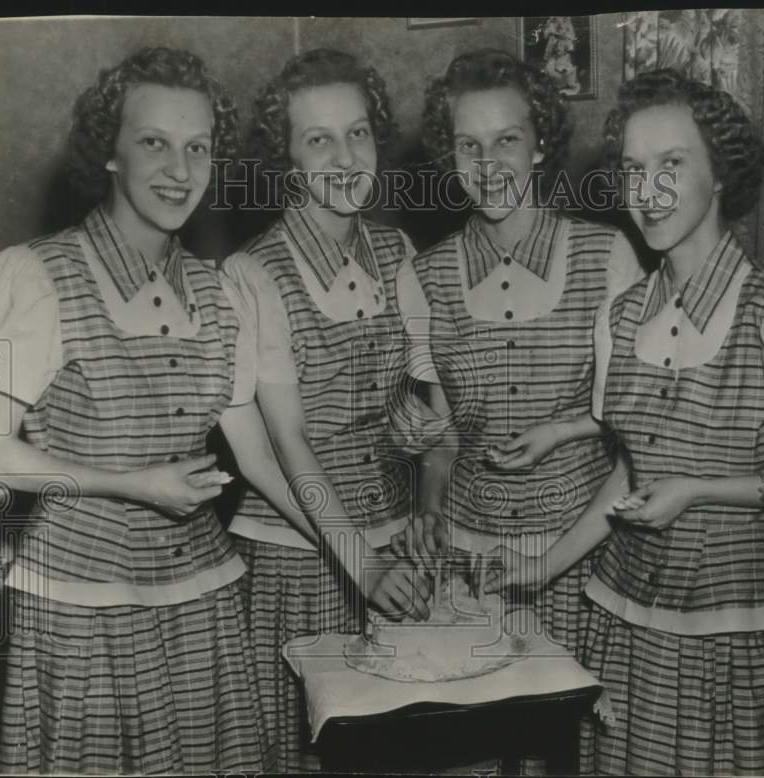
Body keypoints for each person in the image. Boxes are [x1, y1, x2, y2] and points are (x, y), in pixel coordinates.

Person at [488, 68, 764, 776]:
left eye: (671, 165)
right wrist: (542, 566)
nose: (646, 192)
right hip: (624, 631)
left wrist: (701, 489)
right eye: (632, 169)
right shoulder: (619, 317)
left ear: (720, 175)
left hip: (735, 644)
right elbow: (630, 472)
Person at [0, 47, 300, 774]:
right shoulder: (37, 274)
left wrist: (361, 559)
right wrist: (133, 483)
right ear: (109, 152)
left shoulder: (218, 293)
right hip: (81, 608)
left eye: (198, 148)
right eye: (154, 142)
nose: (180, 170)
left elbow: (265, 459)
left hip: (203, 602)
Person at [394, 49, 642, 769]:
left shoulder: (608, 256)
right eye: (468, 144)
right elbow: (438, 441)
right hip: (472, 571)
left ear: (539, 146)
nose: (489, 161)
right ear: (449, 156)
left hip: (585, 561)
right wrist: (431, 516)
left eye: (507, 139)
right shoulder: (427, 275)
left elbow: (635, 436)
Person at [222, 48, 432, 772]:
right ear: (284, 160)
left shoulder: (397, 250)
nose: (346, 156)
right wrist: (361, 563)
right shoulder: (253, 273)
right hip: (300, 557)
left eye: (359, 132)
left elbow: (425, 409)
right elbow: (281, 445)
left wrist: (426, 506)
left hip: (394, 547)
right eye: (319, 140)